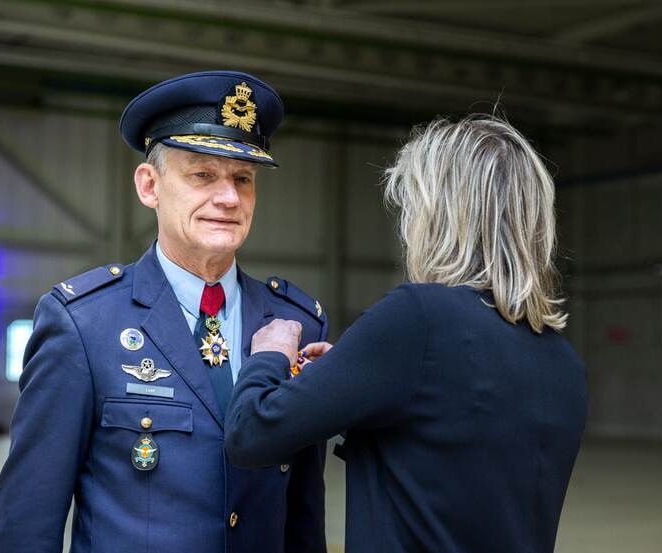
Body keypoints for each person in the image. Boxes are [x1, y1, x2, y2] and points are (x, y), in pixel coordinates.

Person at [0, 71, 329, 553]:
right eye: (202, 175)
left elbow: (303, 515)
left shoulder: (296, 323)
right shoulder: (84, 324)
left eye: (243, 179)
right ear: (149, 186)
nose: (229, 198)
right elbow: (29, 520)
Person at [225, 115, 588, 553]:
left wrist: (270, 356)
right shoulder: (563, 361)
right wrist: (355, 373)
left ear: (438, 212)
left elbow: (251, 436)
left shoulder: (420, 317)